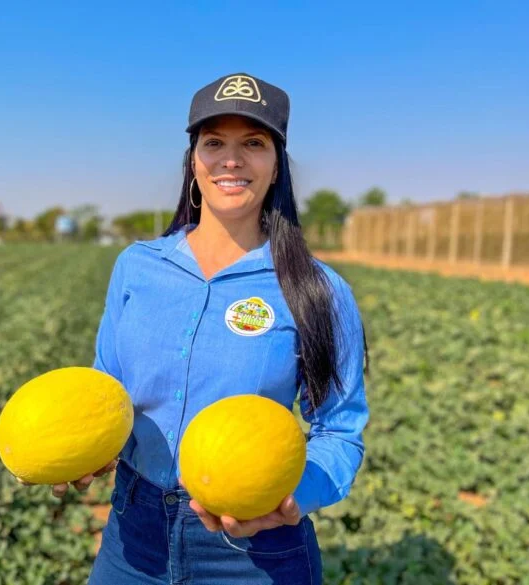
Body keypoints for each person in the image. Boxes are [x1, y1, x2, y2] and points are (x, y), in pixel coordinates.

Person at [28, 72, 370, 584]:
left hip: (256, 552)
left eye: (253, 143)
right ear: (194, 160)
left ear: (276, 166)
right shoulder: (136, 266)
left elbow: (340, 431)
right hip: (132, 535)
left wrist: (288, 497)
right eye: (215, 142)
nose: (231, 160)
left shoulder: (318, 289)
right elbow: (106, 390)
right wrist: (89, 447)